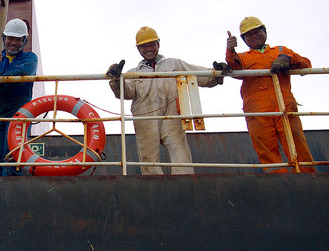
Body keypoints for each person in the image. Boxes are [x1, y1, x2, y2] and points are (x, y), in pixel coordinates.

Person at [106, 26, 226, 175]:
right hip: (146, 117)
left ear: (158, 44)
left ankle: (185, 186)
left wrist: (216, 73)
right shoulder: (133, 73)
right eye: (144, 46)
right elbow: (126, 92)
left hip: (173, 115)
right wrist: (117, 79)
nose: (148, 49)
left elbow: (196, 73)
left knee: (180, 153)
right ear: (138, 48)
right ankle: (154, 190)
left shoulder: (173, 64)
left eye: (151, 44)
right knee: (148, 157)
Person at [226, 16, 315, 173]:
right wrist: (230, 50)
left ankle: (308, 178)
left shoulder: (281, 51)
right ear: (244, 39)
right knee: (265, 148)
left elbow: (306, 65)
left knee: (296, 143)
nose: (254, 36)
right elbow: (234, 66)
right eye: (249, 34)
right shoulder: (243, 57)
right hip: (257, 110)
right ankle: (279, 182)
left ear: (264, 31)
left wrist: (286, 58)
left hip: (285, 106)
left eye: (256, 31)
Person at [0, 18, 38, 176]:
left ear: (24, 40)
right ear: (4, 38)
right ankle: (1, 181)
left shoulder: (30, 58)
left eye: (18, 39)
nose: (13, 42)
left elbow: (23, 73)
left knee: (13, 154)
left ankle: (13, 182)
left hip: (19, 110)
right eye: (10, 38)